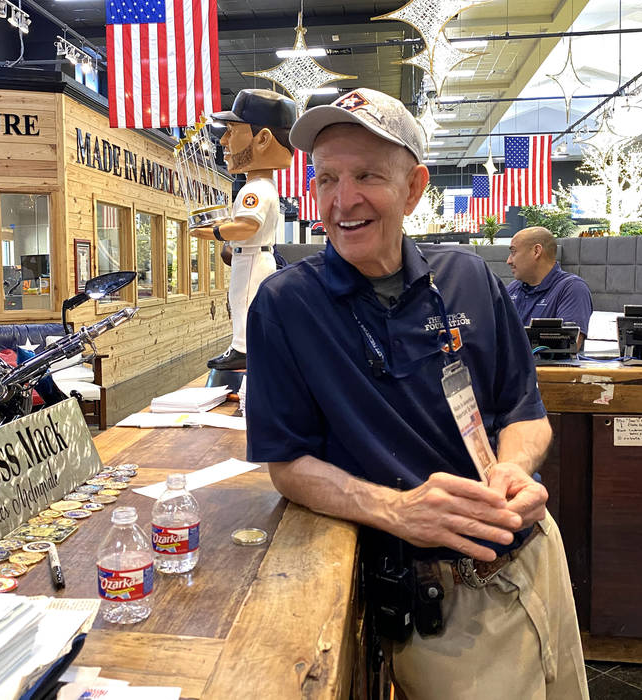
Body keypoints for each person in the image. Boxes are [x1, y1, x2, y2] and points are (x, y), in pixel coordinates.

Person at [244, 88, 587, 699]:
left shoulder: (467, 276)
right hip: (435, 600)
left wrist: (512, 467)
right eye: (327, 179)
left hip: (535, 557)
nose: (342, 200)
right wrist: (397, 510)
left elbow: (524, 412)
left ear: (414, 186)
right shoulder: (285, 305)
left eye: (367, 175)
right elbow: (287, 464)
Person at [191, 89, 297, 371]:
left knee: (245, 301)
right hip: (247, 255)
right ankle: (242, 346)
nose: (223, 140)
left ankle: (244, 349)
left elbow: (248, 225)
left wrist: (212, 232)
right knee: (239, 301)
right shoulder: (257, 187)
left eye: (231, 131)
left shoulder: (258, 189)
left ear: (262, 139)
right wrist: (219, 227)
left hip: (253, 257)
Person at [506, 226, 593, 348]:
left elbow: (567, 347)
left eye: (513, 252)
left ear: (536, 251)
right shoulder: (511, 290)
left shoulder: (572, 288)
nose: (508, 261)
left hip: (542, 367)